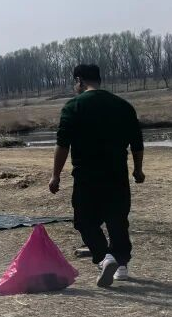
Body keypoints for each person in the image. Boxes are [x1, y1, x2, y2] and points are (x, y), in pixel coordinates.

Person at [49, 64, 144, 287]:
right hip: (116, 173)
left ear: (80, 80)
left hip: (86, 175)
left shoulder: (73, 106)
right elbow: (137, 144)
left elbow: (62, 145)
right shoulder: (123, 106)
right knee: (117, 219)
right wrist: (138, 169)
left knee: (84, 221)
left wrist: (55, 176)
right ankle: (121, 264)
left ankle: (104, 256)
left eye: (75, 82)